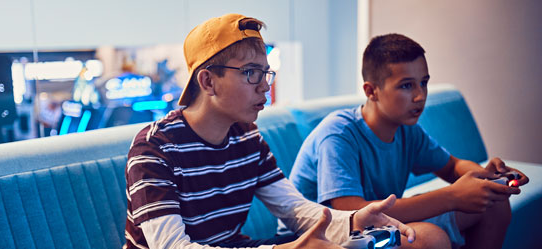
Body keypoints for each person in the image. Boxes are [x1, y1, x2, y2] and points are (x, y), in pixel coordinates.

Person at [124, 14, 415, 249]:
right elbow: (172, 247)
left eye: (266, 72)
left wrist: (353, 221)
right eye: (251, 73)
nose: (264, 85)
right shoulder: (155, 147)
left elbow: (294, 209)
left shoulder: (247, 137)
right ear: (209, 82)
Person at [288, 33, 529, 249]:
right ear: (371, 91)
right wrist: (453, 196)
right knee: (430, 238)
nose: (420, 96)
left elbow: (452, 166)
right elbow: (350, 210)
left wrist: (486, 180)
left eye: (423, 82)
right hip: (325, 235)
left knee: (494, 205)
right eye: (406, 86)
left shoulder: (406, 130)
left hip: (376, 223)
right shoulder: (338, 133)